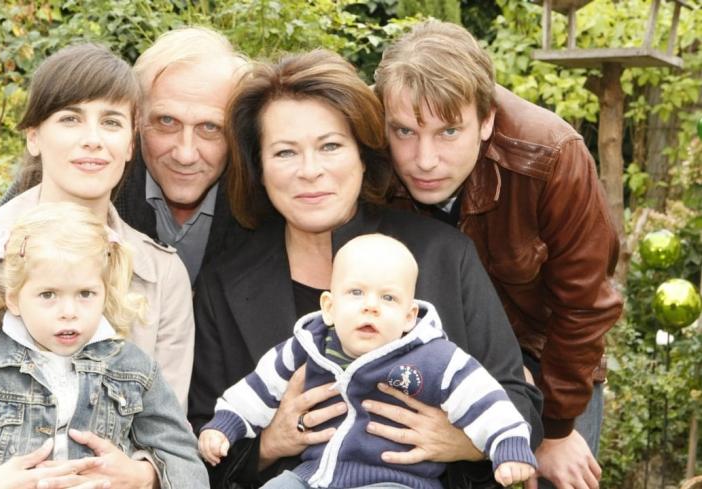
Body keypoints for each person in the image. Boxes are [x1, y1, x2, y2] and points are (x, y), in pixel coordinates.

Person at [188, 49, 543, 489]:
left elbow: (519, 402)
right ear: (258, 167)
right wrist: (269, 445)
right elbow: (196, 441)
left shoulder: (443, 255)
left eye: (330, 146)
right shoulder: (224, 283)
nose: (310, 171)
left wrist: (462, 443)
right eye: (284, 152)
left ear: (363, 154)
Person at [0, 43, 194, 488]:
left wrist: (143, 476)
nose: (93, 139)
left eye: (111, 122)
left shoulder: (161, 273)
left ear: (131, 144)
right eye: (70, 118)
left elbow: (170, 433)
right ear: (34, 136)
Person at [374, 20, 623, 489]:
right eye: (404, 131)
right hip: (431, 356)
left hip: (550, 359)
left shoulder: (552, 157)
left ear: (486, 119)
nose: (424, 160)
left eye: (449, 131)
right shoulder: (365, 145)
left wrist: (553, 429)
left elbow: (584, 306)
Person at [0, 203, 207, 489]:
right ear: (14, 299)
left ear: (105, 293)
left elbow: (179, 452)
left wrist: (145, 476)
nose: (69, 311)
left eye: (85, 294)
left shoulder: (134, 370)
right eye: (48, 295)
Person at [199, 234, 537, 488]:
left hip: (397, 480)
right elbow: (258, 387)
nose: (370, 306)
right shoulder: (308, 346)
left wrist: (508, 443)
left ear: (409, 316)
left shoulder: (433, 357)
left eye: (388, 297)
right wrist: (225, 424)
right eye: (356, 293)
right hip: (314, 476)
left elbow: (484, 399)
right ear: (329, 307)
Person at [112, 27, 251, 283]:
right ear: (137, 118)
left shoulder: (263, 203)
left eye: (210, 127)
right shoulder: (98, 186)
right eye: (167, 121)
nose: (185, 155)